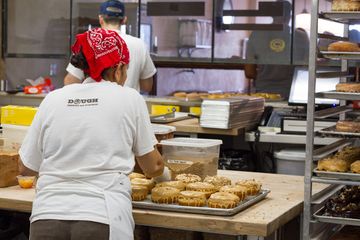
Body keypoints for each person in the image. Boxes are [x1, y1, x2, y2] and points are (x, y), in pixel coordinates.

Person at [19, 28, 164, 240]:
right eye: (125, 70)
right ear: (117, 69)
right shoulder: (129, 98)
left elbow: (26, 167)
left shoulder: (53, 99)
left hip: (46, 216)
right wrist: (164, 171)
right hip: (103, 215)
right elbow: (153, 167)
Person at [64, 0, 156, 94]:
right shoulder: (139, 45)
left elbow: (70, 82)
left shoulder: (90, 42)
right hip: (127, 105)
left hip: (95, 105)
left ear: (100, 19)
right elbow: (147, 86)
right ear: (124, 20)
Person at [245, 0, 309, 99]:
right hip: (291, 93)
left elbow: (249, 72)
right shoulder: (301, 36)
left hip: (263, 93)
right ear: (289, 16)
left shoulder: (257, 34)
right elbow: (306, 68)